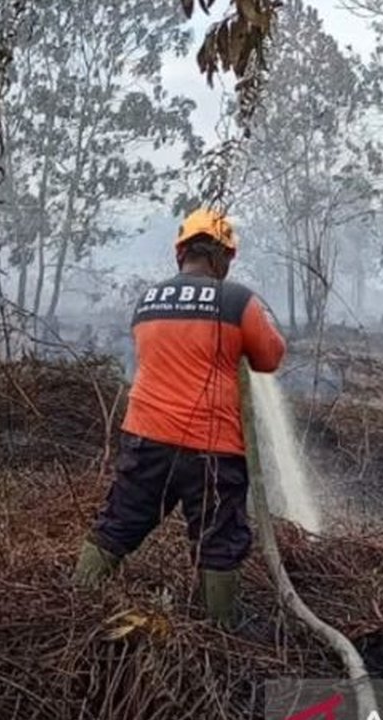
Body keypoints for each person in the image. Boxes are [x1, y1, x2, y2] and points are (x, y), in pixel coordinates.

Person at [72, 208, 287, 628]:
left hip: (145, 438)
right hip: (213, 448)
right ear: (224, 257)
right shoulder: (237, 300)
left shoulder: (148, 301)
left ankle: (74, 606)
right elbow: (270, 357)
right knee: (218, 540)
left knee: (119, 523)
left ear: (180, 253)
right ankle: (219, 634)